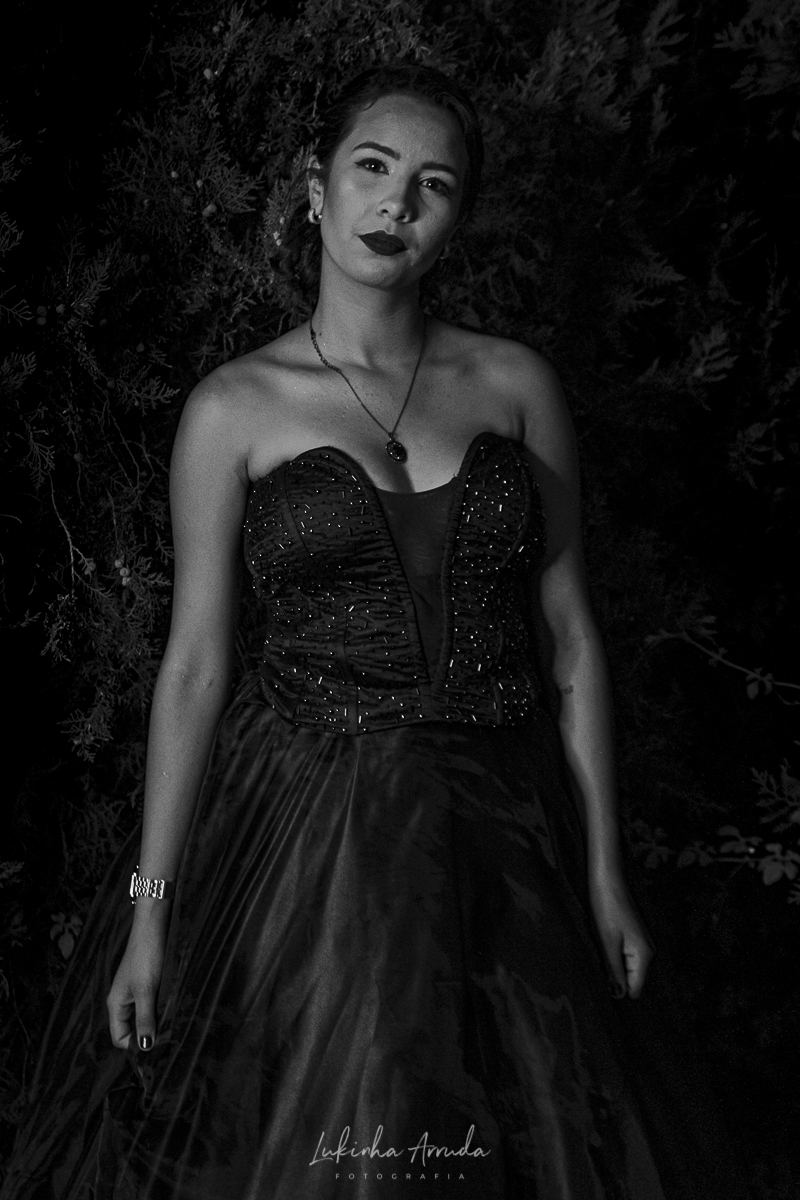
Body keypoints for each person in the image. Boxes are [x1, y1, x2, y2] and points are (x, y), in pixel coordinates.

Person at [1, 64, 752, 1200]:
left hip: (504, 836)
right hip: (311, 837)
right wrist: (150, 912)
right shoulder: (231, 407)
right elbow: (195, 667)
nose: (396, 201)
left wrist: (604, 874)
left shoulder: (515, 385)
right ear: (317, 188)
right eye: (373, 166)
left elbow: (571, 642)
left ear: (455, 222)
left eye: (432, 185)